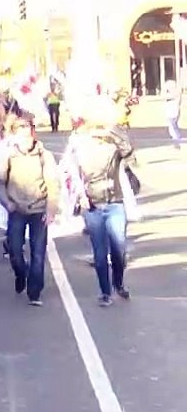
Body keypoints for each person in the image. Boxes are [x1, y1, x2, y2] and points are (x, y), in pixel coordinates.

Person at [71, 102, 135, 306]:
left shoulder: (113, 144)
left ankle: (119, 283)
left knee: (119, 249)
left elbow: (129, 154)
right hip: (92, 204)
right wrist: (80, 194)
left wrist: (115, 133)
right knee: (100, 253)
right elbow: (72, 172)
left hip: (114, 202)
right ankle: (105, 292)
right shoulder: (79, 144)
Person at [0, 117, 60, 306]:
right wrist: (7, 202)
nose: (27, 138)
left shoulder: (44, 155)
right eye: (22, 134)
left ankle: (35, 292)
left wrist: (51, 210)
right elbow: (0, 182)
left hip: (38, 209)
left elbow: (52, 183)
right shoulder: (9, 155)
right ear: (15, 136)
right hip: (16, 209)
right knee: (15, 250)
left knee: (38, 252)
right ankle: (20, 273)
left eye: (29, 133)